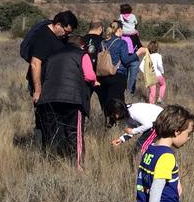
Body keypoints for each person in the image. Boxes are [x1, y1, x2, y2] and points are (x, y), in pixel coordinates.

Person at [35, 34, 97, 167]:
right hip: (72, 99)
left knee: (53, 133)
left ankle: (52, 164)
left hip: (49, 98)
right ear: (81, 45)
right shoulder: (82, 54)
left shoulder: (52, 55)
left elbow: (44, 75)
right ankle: (78, 166)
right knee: (74, 132)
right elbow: (90, 76)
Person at [101, 21, 142, 108]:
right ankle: (117, 121)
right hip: (118, 75)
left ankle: (106, 120)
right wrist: (137, 53)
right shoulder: (122, 42)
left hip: (103, 76)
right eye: (122, 30)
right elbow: (126, 60)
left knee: (107, 103)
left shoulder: (103, 42)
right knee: (118, 104)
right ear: (119, 29)